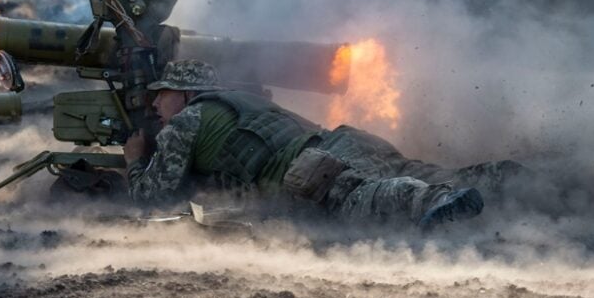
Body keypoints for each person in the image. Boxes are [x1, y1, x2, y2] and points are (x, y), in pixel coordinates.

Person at [123, 60, 531, 229]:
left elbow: (150, 196)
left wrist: (135, 160)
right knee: (434, 171)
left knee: (369, 197)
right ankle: (526, 183)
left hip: (313, 169)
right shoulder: (243, 100)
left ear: (188, 94)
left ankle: (437, 202)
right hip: (344, 140)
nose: (156, 103)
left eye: (164, 93)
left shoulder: (187, 121)